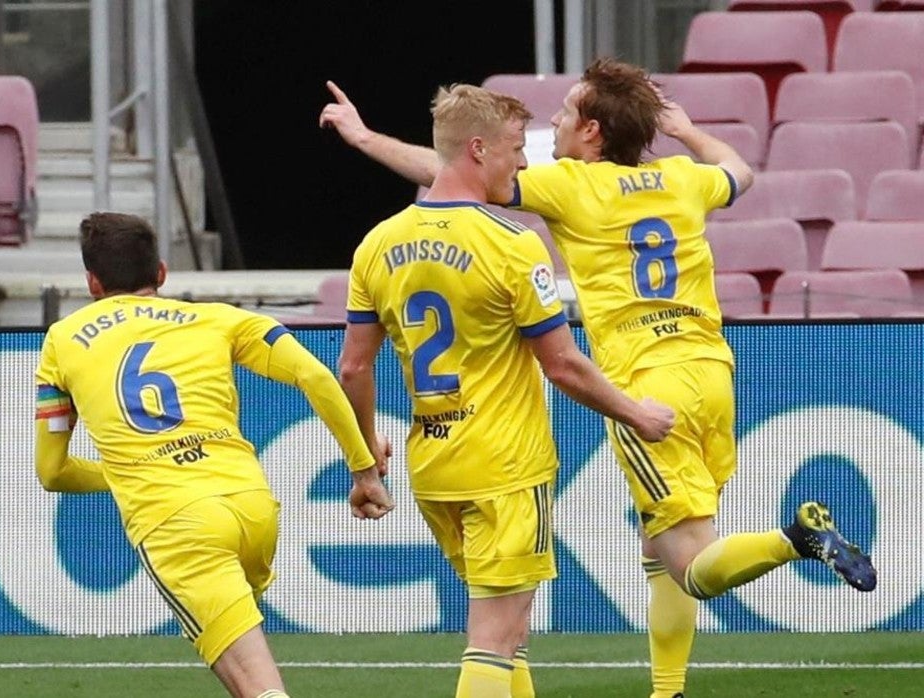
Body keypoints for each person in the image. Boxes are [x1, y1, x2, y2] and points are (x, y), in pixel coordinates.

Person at [322, 59, 878, 698]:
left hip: (643, 386)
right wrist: (689, 130)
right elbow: (741, 172)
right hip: (713, 375)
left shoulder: (569, 188)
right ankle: (667, 691)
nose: (551, 125)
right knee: (654, 548)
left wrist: (365, 140)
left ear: (590, 132)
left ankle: (794, 537)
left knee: (689, 564)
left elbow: (451, 177)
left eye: (564, 114)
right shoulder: (681, 177)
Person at [337, 83, 675, 698]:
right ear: (477, 149)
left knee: (507, 634)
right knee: (494, 638)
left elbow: (353, 371)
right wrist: (637, 415)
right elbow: (564, 366)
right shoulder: (514, 245)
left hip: (435, 463)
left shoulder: (376, 244)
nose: (523, 163)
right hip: (506, 467)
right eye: (516, 149)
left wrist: (365, 463)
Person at [34, 211, 395, 698]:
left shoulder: (63, 338)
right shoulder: (219, 318)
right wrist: (363, 468)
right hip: (252, 508)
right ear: (161, 273)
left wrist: (130, 468)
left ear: (92, 282)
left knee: (261, 690)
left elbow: (52, 472)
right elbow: (315, 376)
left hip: (179, 524)